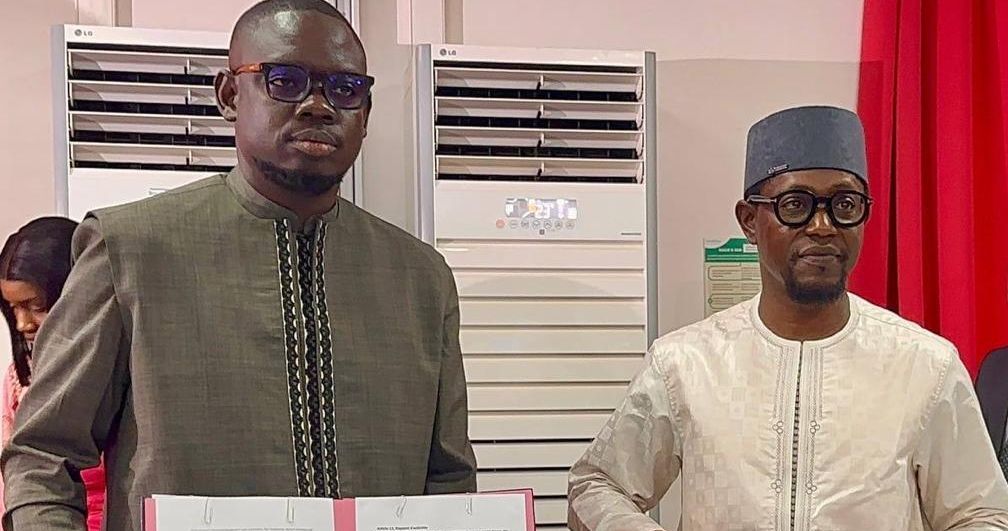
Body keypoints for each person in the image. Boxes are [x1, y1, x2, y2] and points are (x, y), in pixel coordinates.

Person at [1, 1, 476, 529]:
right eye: (285, 81)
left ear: (364, 114)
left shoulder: (420, 279)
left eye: (345, 90)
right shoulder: (129, 250)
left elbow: (449, 480)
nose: (318, 106)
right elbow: (43, 456)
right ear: (229, 96)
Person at [568, 106, 1008, 530]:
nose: (822, 226)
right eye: (795, 205)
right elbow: (597, 486)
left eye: (845, 204)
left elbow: (983, 515)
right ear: (749, 221)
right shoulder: (685, 364)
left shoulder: (925, 366)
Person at [0, 218, 105, 531]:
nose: (22, 324)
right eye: (13, 309)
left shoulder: (113, 370)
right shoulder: (18, 379)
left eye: (36, 306)